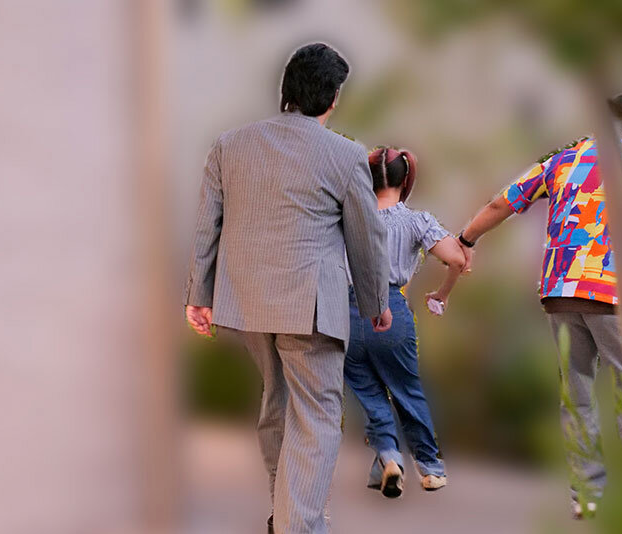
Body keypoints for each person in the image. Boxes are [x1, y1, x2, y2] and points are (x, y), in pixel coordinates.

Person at [183, 43, 392, 534]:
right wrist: (376, 302)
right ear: (333, 98)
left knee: (277, 403)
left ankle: (286, 515)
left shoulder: (229, 145)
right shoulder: (345, 155)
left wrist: (199, 295)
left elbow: (207, 224)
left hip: (249, 302)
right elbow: (367, 237)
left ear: (287, 90)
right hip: (310, 308)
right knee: (316, 416)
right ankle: (296, 526)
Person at [457, 94, 622, 518]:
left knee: (577, 395)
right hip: (620, 296)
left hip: (561, 293)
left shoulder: (563, 160)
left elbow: (501, 203)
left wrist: (465, 239)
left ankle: (588, 495)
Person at [344, 147, 465, 498]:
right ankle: (429, 468)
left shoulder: (349, 219)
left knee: (367, 392)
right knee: (406, 388)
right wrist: (441, 294)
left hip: (348, 312)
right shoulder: (417, 221)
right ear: (405, 179)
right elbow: (457, 259)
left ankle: (389, 455)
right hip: (392, 311)